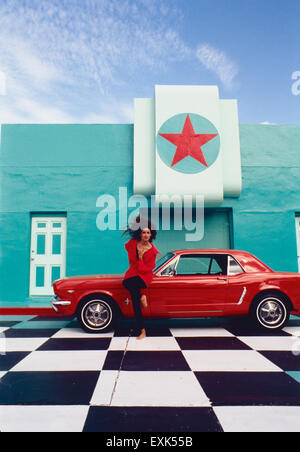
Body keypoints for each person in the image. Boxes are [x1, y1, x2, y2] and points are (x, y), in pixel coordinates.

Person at [122, 217, 159, 340]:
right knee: (127, 283)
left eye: (148, 233)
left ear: (151, 234)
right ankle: (141, 296)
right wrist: (137, 259)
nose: (146, 235)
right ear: (140, 233)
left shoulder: (153, 251)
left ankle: (142, 330)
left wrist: (141, 258)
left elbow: (147, 269)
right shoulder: (133, 243)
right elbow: (131, 259)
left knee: (134, 297)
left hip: (144, 276)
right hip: (133, 273)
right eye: (143, 232)